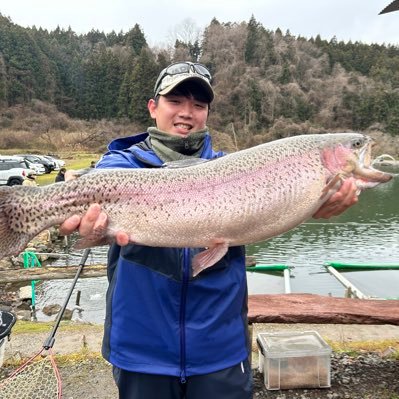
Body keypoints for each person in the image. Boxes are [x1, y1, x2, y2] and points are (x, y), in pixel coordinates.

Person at [59, 62, 359, 399]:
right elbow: (87, 199)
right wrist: (77, 219)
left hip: (221, 351)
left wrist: (313, 206)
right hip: (141, 351)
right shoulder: (121, 166)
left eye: (198, 105)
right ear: (153, 107)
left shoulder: (236, 169)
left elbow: (275, 207)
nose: (187, 113)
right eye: (175, 101)